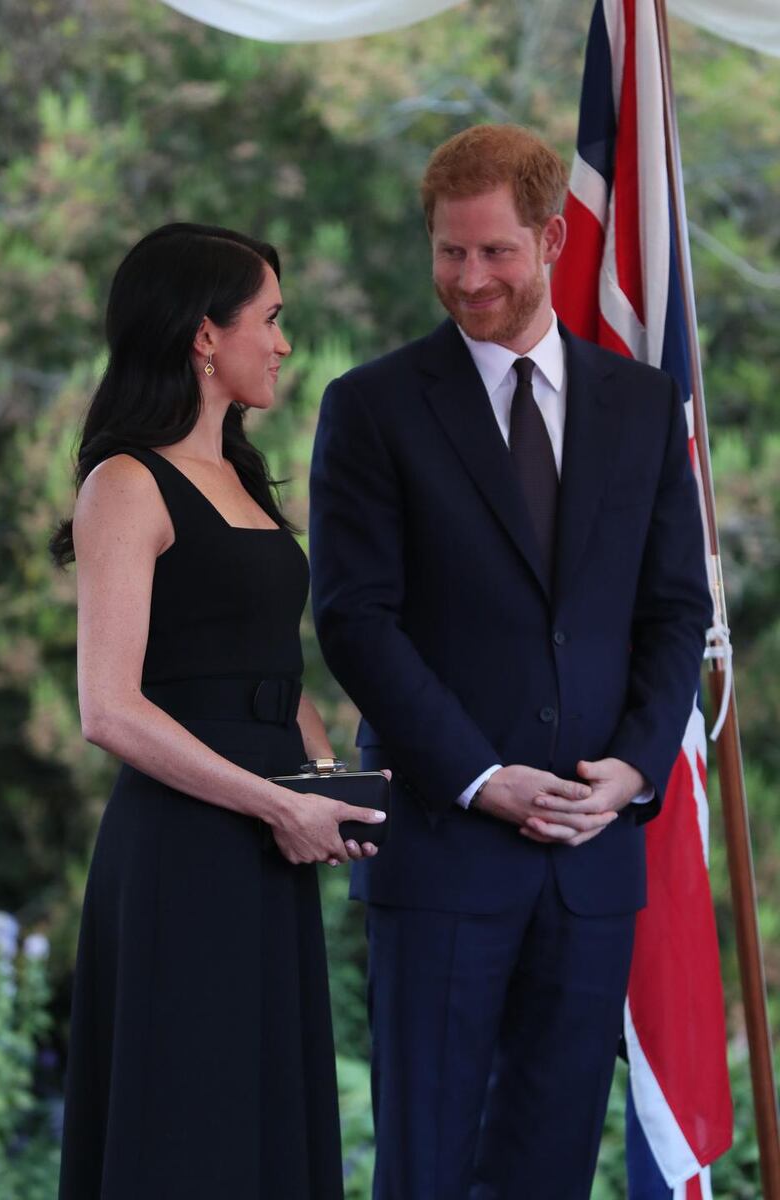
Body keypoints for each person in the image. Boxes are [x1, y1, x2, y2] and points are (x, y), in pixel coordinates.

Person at [309, 125, 712, 1200]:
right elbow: (354, 621)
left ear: (549, 237)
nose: (468, 279)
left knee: (548, 1165)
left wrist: (629, 771)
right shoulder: (372, 407)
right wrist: (481, 779)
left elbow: (675, 611)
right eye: (448, 253)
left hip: (591, 857)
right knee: (426, 1164)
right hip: (442, 852)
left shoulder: (639, 405)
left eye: (492, 252)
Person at [51, 222, 386, 1200]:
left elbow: (270, 676)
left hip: (263, 841)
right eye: (269, 318)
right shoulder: (123, 483)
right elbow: (107, 708)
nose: (282, 342)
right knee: (188, 1121)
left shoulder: (239, 477)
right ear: (205, 335)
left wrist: (332, 789)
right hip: (183, 847)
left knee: (262, 1117)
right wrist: (279, 805)